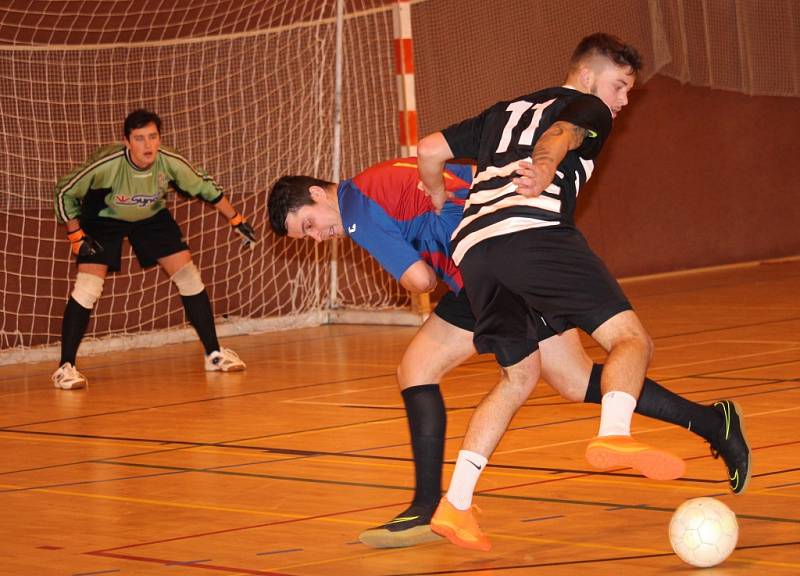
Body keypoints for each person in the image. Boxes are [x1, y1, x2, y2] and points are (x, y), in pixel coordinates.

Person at [266, 156, 750, 550]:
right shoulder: (377, 178)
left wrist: (404, 260)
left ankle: (432, 505)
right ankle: (714, 422)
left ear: (317, 194)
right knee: (570, 379)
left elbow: (420, 281)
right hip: (492, 261)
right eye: (304, 236)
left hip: (485, 272)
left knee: (474, 373)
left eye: (309, 225)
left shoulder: (355, 209)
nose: (315, 237)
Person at [415, 33, 752, 551]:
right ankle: (615, 434)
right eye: (620, 87)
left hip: (475, 252)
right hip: (533, 236)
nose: (622, 102)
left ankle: (456, 504)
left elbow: (429, 150)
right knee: (630, 340)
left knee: (522, 377)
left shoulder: (503, 110)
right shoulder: (588, 106)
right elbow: (562, 133)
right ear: (590, 76)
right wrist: (546, 167)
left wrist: (438, 193)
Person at [52, 109, 256, 389]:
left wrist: (236, 219)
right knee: (88, 286)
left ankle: (214, 354)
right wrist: (76, 234)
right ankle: (66, 368)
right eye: (139, 138)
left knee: (189, 276)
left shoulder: (169, 161)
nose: (147, 145)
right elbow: (64, 191)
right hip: (103, 215)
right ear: (126, 141)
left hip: (150, 215)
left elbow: (205, 187)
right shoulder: (106, 165)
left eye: (152, 137)